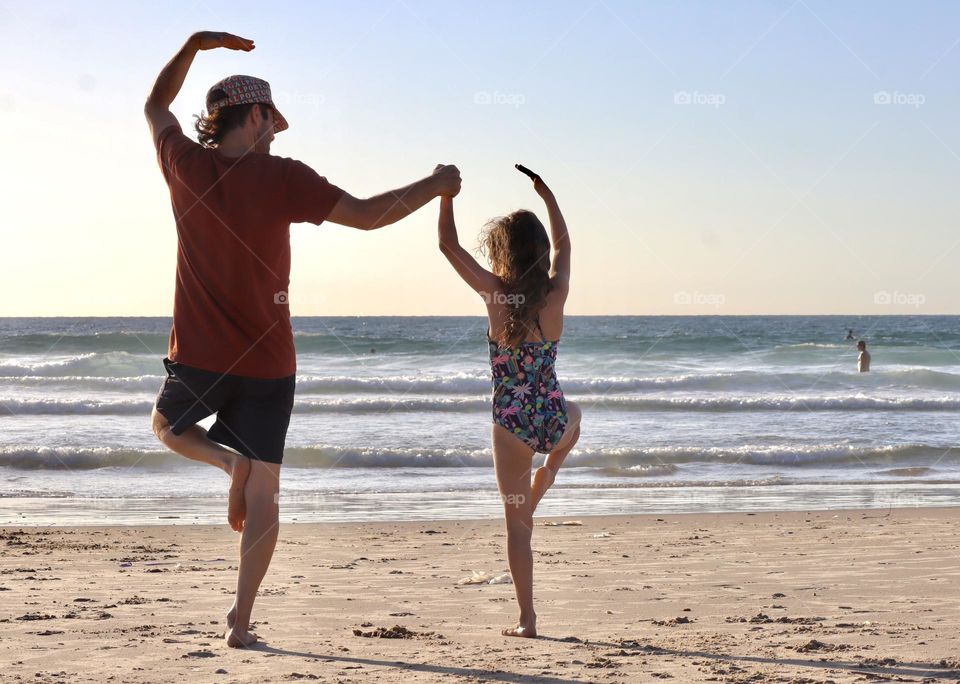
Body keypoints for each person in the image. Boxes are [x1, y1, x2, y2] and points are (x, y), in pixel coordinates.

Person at [143, 31, 460, 648]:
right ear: (256, 114)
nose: (274, 134)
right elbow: (371, 214)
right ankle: (241, 621)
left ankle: (221, 461)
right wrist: (436, 182)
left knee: (166, 427)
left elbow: (155, 103)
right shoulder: (283, 178)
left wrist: (194, 46)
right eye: (271, 121)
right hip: (269, 362)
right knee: (265, 490)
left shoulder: (185, 164)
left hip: (201, 356)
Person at [437, 169, 581, 638]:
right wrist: (550, 198)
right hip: (554, 418)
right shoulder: (555, 294)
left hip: (511, 426)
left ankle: (527, 620)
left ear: (506, 253)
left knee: (518, 528)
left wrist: (445, 197)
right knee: (577, 415)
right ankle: (552, 470)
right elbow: (565, 248)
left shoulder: (496, 295)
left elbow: (448, 247)